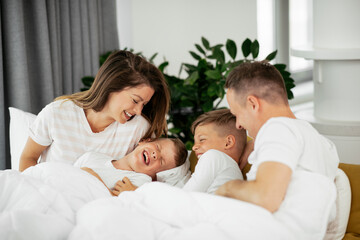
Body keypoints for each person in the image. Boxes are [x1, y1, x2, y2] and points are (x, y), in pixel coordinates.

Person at [216, 61, 339, 213]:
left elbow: (266, 198)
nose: (238, 125)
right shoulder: (322, 143)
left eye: (237, 115)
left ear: (253, 104)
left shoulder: (278, 129)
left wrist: (228, 188)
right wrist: (255, 144)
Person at [19, 50, 170, 172]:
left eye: (144, 104)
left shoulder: (138, 128)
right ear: (112, 85)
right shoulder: (57, 113)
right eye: (135, 100)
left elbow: (152, 175)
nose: (138, 111)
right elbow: (28, 157)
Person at [78, 137, 188, 196]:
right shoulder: (91, 157)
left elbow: (114, 205)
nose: (155, 155)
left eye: (162, 161)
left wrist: (92, 177)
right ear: (144, 141)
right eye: (158, 147)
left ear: (155, 175)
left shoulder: (141, 181)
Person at [182, 109, 247, 194]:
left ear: (228, 142)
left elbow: (185, 195)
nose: (194, 147)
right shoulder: (234, 172)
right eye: (195, 142)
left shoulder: (213, 156)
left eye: (202, 139)